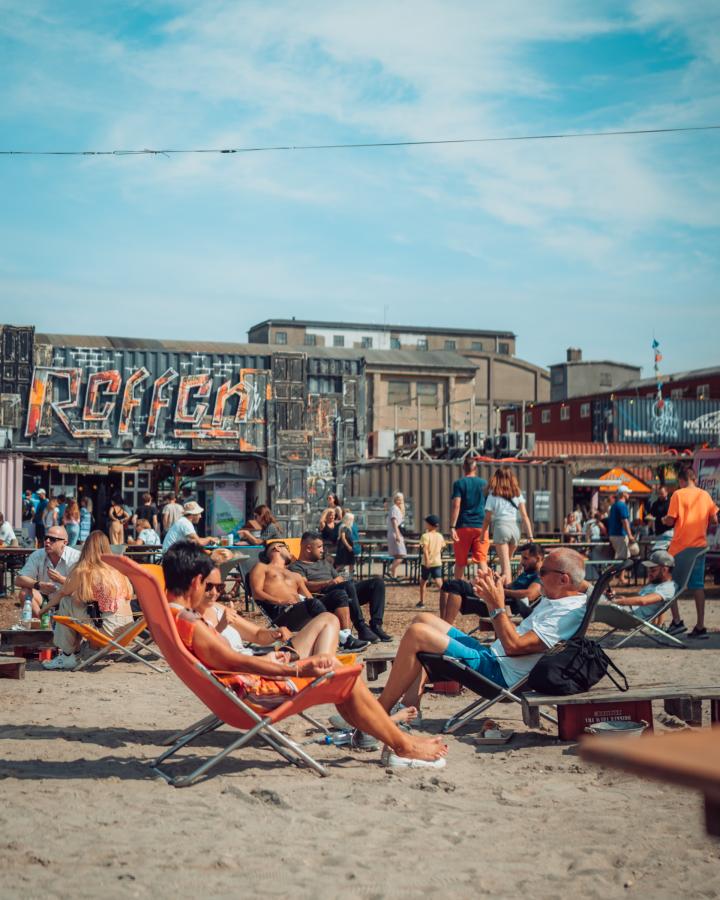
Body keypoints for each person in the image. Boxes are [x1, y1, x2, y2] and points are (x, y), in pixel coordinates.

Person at [162, 541, 448, 769]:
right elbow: (235, 661)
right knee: (343, 675)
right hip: (254, 693)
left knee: (339, 671)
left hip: (242, 687)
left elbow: (233, 659)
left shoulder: (174, 617)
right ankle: (401, 744)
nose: (214, 592)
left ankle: (385, 734)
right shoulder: (192, 623)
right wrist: (299, 669)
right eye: (209, 585)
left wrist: (278, 655)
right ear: (196, 581)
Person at [375, 548, 588, 716]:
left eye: (543, 572)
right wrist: (492, 594)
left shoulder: (565, 615)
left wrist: (496, 605)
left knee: (417, 633)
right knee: (423, 619)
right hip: (492, 656)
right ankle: (410, 706)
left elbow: (514, 647)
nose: (539, 576)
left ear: (564, 580)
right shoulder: (559, 599)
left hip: (499, 673)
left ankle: (379, 711)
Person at [39, 531, 135, 670]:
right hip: (127, 630)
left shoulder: (85, 570)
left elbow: (63, 593)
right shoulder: (118, 569)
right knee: (79, 604)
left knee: (67, 601)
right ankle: (76, 652)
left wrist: (42, 611)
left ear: (87, 548)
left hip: (108, 633)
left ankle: (67, 655)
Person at [249, 541, 364, 650]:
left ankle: (346, 635)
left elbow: (309, 597)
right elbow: (256, 593)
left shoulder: (295, 575)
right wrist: (280, 601)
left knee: (338, 594)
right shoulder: (262, 567)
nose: (290, 552)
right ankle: (343, 639)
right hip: (282, 613)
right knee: (313, 604)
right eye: (287, 548)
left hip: (302, 609)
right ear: (277, 548)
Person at [290, 532, 392, 643]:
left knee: (377, 583)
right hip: (324, 597)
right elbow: (305, 586)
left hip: (344, 591)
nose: (322, 550)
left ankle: (376, 626)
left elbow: (339, 579)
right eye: (319, 547)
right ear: (308, 548)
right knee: (347, 586)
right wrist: (328, 583)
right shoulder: (296, 567)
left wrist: (341, 581)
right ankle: (361, 627)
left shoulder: (324, 563)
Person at [663, 466, 718, 639]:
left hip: (679, 548)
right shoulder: (705, 495)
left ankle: (677, 621)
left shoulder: (678, 495)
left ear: (681, 480)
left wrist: (664, 519)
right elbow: (715, 520)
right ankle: (700, 626)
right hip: (699, 548)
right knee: (698, 586)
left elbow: (670, 520)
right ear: (694, 479)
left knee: (669, 583)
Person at [438, 542, 545, 624]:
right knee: (448, 585)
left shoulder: (540, 576)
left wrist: (500, 591)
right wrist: (498, 582)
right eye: (522, 558)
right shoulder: (527, 573)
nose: (522, 562)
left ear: (538, 559)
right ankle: (444, 625)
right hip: (496, 600)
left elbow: (530, 595)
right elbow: (510, 588)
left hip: (502, 606)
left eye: (525, 558)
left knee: (456, 586)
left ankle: (446, 628)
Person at [479, 467, 533, 585]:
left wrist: (483, 534)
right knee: (507, 562)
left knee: (506, 567)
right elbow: (525, 516)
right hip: (515, 529)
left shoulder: (493, 495)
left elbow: (487, 518)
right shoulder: (517, 493)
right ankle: (503, 585)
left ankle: (507, 591)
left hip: (501, 528)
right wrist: (530, 536)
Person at [15, 525, 81, 617]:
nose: (47, 541)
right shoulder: (37, 555)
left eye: (52, 539)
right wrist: (38, 584)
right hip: (44, 598)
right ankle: (41, 623)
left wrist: (60, 579)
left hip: (67, 599)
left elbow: (83, 586)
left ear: (64, 543)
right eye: (46, 538)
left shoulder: (76, 557)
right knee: (25, 593)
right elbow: (18, 580)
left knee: (76, 596)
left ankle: (60, 623)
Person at [604, 550, 677, 624]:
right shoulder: (654, 584)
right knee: (599, 597)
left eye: (653, 570)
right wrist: (616, 597)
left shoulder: (668, 588)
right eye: (648, 570)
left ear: (664, 570)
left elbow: (643, 601)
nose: (649, 573)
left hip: (631, 617)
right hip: (627, 611)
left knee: (598, 603)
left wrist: (616, 602)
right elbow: (637, 599)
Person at [449, 457, 489, 580]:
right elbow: (488, 506)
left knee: (460, 562)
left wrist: (452, 526)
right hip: (481, 526)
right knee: (482, 560)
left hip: (463, 526)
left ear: (463, 468)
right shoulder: (484, 484)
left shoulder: (459, 484)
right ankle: (487, 588)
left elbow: (456, 505)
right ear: (476, 468)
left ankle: (458, 589)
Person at [416, 515, 445, 609]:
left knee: (423, 582)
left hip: (426, 563)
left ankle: (422, 602)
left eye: (426, 523)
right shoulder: (440, 536)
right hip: (437, 562)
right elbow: (442, 547)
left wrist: (427, 561)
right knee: (439, 582)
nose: (425, 524)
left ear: (429, 525)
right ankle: (446, 600)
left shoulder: (425, 536)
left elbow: (425, 549)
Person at [607, 486, 634, 561]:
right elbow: (625, 521)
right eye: (627, 493)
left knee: (622, 557)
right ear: (623, 494)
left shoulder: (614, 505)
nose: (629, 494)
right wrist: (630, 535)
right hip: (620, 535)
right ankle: (618, 569)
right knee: (622, 559)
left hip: (613, 534)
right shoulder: (622, 505)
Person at [387, 491, 407, 580]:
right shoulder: (394, 508)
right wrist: (398, 535)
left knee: (397, 556)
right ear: (395, 499)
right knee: (402, 555)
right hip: (395, 533)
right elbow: (394, 522)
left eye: (401, 499)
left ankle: (394, 576)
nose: (400, 501)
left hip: (396, 532)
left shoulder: (397, 509)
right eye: (398, 499)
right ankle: (390, 570)